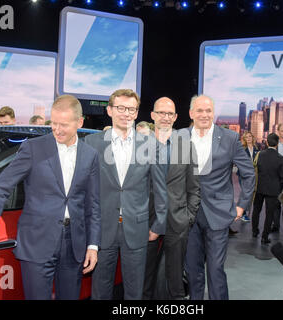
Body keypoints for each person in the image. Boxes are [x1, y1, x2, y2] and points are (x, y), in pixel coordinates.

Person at [0, 95, 101, 300]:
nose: (57, 130)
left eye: (64, 125)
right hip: (37, 242)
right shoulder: (33, 148)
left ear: (80, 122)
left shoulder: (90, 155)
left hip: (74, 244)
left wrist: (93, 246)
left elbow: (93, 204)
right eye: (54, 124)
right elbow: (1, 187)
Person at [85, 89, 168, 300]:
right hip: (103, 229)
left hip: (138, 228)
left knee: (134, 292)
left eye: (131, 109)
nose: (126, 113)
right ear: (110, 110)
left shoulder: (151, 146)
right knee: (100, 290)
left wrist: (158, 224)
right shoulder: (92, 143)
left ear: (137, 112)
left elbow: (160, 187)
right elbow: (86, 189)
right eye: (121, 108)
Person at [183, 94, 255, 300]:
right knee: (193, 270)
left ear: (213, 114)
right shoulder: (181, 136)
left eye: (208, 111)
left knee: (215, 269)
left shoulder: (230, 138)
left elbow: (248, 173)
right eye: (199, 110)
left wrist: (242, 206)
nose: (204, 115)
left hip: (219, 214)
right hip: (188, 215)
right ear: (191, 113)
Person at [143, 97, 200, 300]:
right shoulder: (140, 145)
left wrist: (188, 217)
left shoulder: (186, 146)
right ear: (152, 115)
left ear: (175, 117)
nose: (165, 117)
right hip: (147, 222)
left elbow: (194, 187)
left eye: (169, 114)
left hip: (178, 221)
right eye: (161, 113)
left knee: (176, 283)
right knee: (144, 281)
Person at [251, 133, 283, 244]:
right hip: (273, 190)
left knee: (256, 210)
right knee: (269, 213)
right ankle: (264, 237)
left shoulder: (260, 155)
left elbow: (255, 169)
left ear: (267, 142)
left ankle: (254, 231)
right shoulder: (280, 158)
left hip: (259, 187)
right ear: (277, 144)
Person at [239, 131, 260, 222]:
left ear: (252, 138)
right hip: (244, 175)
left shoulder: (256, 149)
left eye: (250, 136)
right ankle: (242, 213)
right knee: (245, 193)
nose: (248, 138)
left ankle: (243, 212)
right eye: (246, 137)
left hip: (254, 175)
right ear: (244, 139)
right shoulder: (242, 149)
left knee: (251, 194)